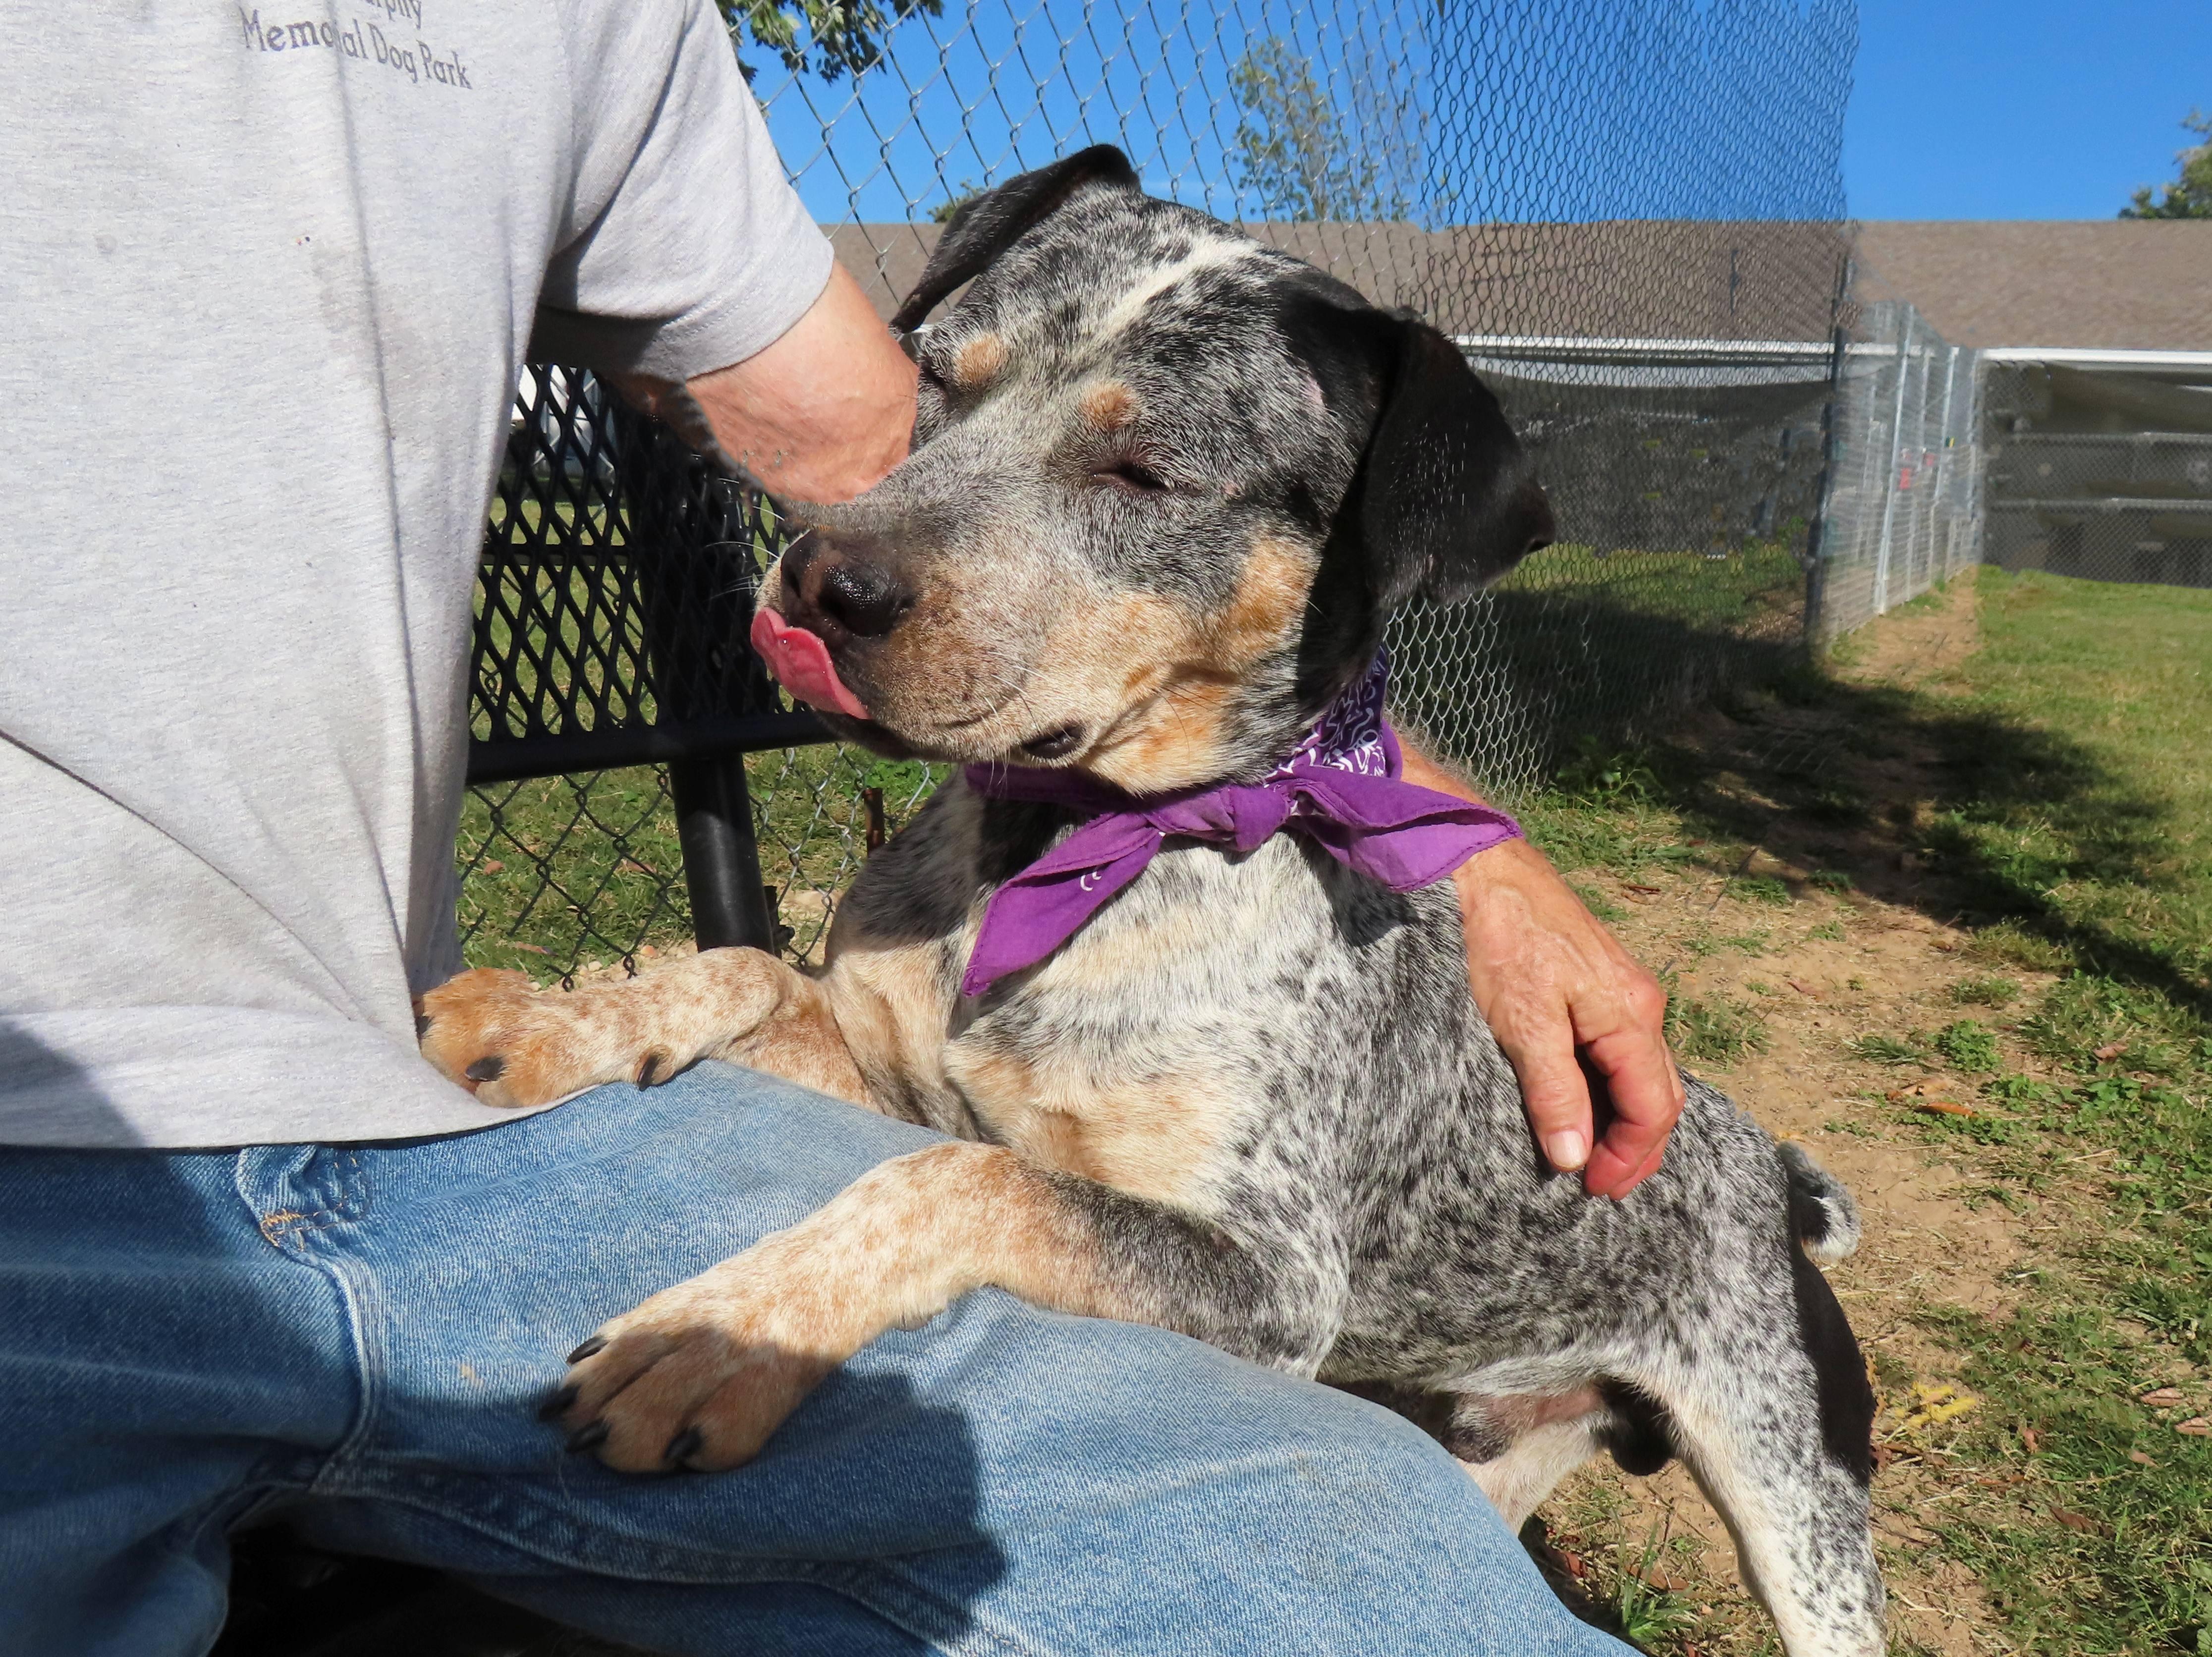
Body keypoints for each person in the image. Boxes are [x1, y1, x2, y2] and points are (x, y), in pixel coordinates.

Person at [0, 1, 1679, 1651]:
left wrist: (1461, 836)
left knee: (1402, 1578)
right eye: (966, 393)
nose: (870, 547)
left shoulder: (586, 27)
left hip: (413, 1117)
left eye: (1142, 479)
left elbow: (841, 433)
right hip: (53, 1154)